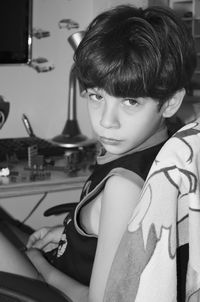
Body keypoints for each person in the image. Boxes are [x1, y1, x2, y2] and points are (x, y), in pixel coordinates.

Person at [0, 4, 196, 302]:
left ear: (169, 102)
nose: (106, 121)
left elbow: (97, 299)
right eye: (96, 96)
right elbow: (108, 230)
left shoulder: (123, 188)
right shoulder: (157, 149)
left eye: (130, 102)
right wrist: (66, 229)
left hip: (55, 289)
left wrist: (38, 265)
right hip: (60, 261)